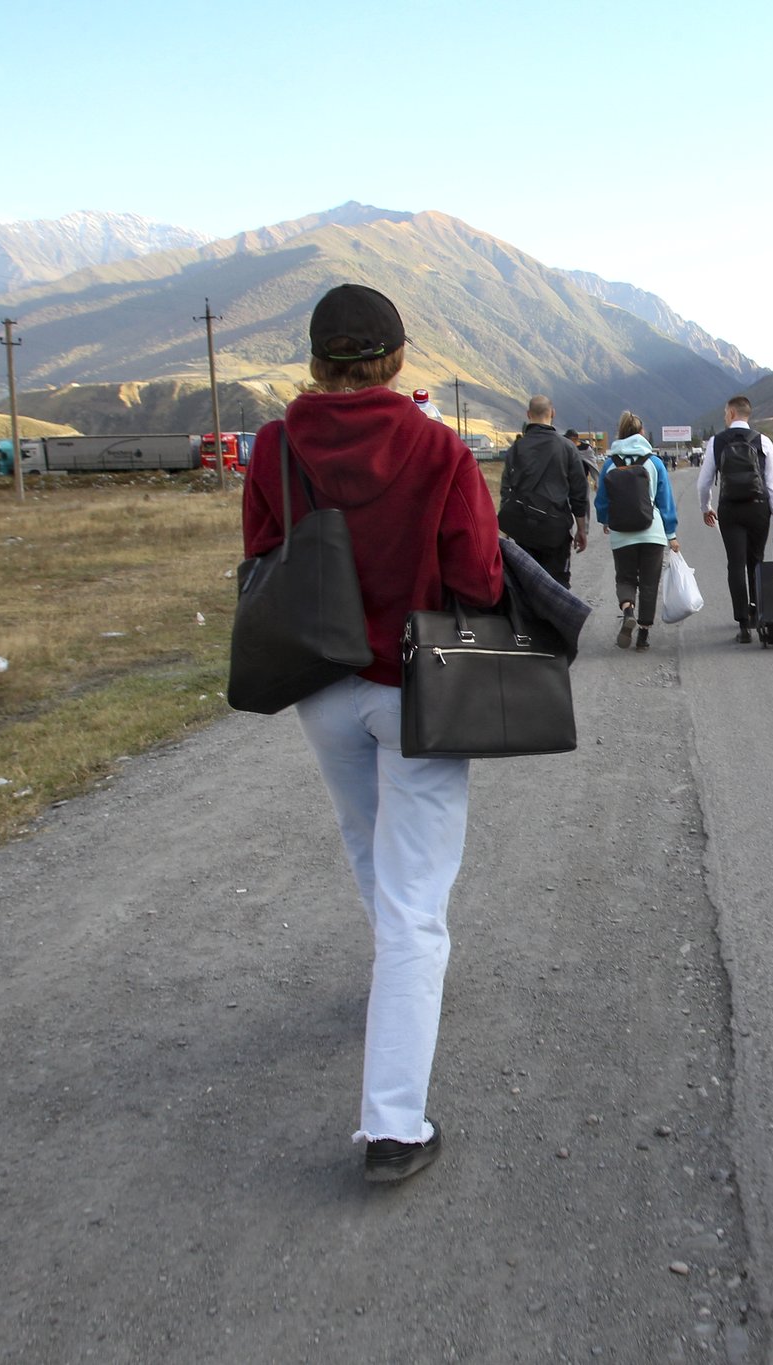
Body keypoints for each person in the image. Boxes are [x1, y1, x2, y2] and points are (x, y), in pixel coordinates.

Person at [241, 283, 504, 1182]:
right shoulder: (438, 448)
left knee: (370, 854)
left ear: (318, 361)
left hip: (321, 685)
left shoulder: (276, 444)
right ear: (396, 357)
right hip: (416, 689)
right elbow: (475, 576)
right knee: (416, 904)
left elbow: (260, 554)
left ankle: (400, 984)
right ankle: (394, 1125)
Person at [697, 395, 773, 642]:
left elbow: (704, 482)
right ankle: (758, 614)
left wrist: (706, 507)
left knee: (735, 564)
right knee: (756, 562)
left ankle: (743, 625)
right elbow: (772, 485)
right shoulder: (763, 441)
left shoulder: (716, 442)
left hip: (730, 509)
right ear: (748, 414)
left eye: (725, 413)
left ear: (731, 413)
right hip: (758, 508)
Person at [593, 411, 682, 650]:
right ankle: (643, 635)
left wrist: (605, 520)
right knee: (650, 583)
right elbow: (665, 502)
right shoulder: (654, 463)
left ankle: (628, 609)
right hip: (651, 531)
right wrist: (670, 534)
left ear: (620, 434)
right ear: (642, 433)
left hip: (622, 532)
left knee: (625, 577)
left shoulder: (610, 464)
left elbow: (601, 500)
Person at [499, 397, 589, 587]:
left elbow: (506, 492)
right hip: (556, 529)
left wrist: (505, 532)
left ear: (528, 415)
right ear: (553, 413)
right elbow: (579, 493)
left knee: (525, 585)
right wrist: (581, 529)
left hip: (523, 529)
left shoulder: (516, 448)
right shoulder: (567, 448)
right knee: (557, 586)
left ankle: (528, 617)